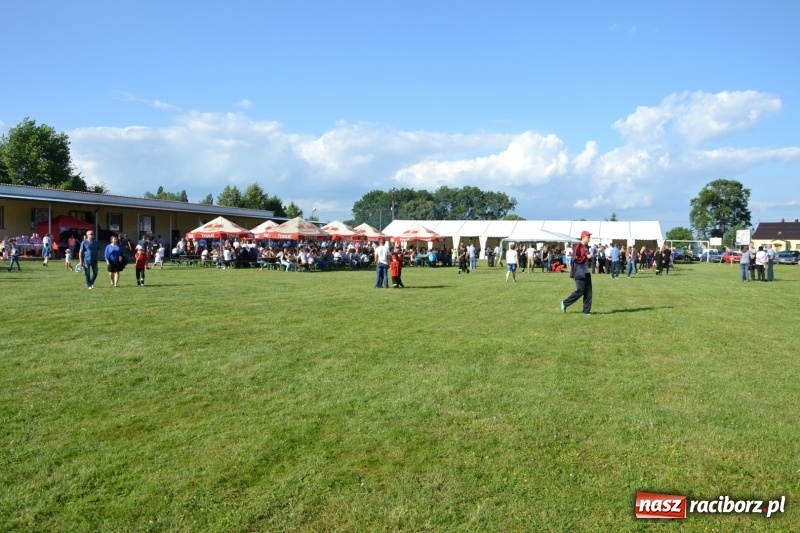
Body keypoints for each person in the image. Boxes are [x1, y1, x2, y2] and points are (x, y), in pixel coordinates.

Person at [561, 230, 594, 315]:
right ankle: (565, 303)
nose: (589, 238)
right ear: (583, 237)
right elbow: (576, 258)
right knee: (580, 291)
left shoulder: (586, 247)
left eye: (590, 236)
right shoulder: (578, 246)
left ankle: (586, 311)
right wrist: (587, 256)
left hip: (586, 272)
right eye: (588, 236)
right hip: (579, 271)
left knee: (588, 292)